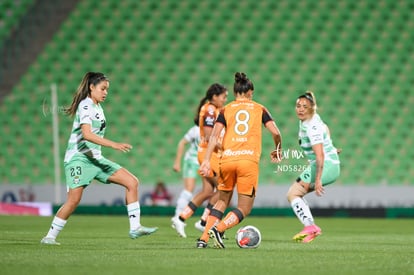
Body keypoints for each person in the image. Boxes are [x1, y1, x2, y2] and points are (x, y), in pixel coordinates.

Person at [40, 72, 158, 245]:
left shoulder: (98, 108)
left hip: (95, 159)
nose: (105, 93)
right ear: (92, 87)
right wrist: (114, 144)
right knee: (73, 201)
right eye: (103, 89)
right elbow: (87, 135)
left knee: (132, 182)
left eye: (107, 90)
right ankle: (49, 237)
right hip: (78, 158)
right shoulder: (86, 106)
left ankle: (135, 227)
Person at [197, 72, 282, 248]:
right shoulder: (259, 108)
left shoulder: (225, 109)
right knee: (244, 208)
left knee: (222, 200)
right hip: (247, 161)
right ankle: (218, 229)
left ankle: (203, 239)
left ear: (235, 93)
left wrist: (206, 160)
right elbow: (276, 132)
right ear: (250, 92)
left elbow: (213, 136)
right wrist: (278, 150)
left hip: (226, 160)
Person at [171, 83, 228, 238]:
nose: (225, 99)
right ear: (215, 96)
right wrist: (225, 147)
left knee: (208, 191)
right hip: (208, 154)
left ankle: (182, 218)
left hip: (207, 153)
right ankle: (204, 222)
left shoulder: (213, 109)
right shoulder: (210, 110)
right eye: (224, 96)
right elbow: (210, 136)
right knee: (223, 189)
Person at [287, 91, 340, 243]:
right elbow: (326, 128)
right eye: (298, 106)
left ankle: (310, 226)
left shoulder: (312, 127)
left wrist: (318, 180)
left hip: (325, 165)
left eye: (305, 107)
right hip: (329, 162)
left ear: (312, 109)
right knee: (295, 194)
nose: (300, 109)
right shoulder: (310, 120)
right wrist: (331, 147)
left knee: (293, 193)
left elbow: (320, 156)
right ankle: (311, 228)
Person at [172, 123, 200, 218]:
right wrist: (177, 162)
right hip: (192, 160)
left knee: (211, 190)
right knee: (189, 189)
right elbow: (182, 142)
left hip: (206, 162)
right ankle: (177, 216)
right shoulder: (195, 129)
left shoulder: (216, 128)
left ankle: (206, 220)